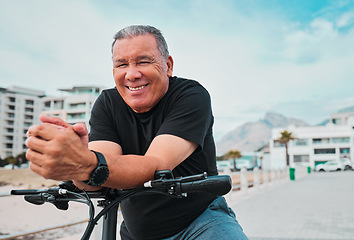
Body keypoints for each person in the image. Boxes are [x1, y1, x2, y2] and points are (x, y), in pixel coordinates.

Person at [26, 25, 248, 240]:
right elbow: (98, 176)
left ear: (168, 65)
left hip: (201, 222)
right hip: (136, 232)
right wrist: (75, 166)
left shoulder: (191, 95)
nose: (131, 74)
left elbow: (156, 165)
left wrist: (86, 163)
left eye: (143, 61)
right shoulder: (107, 103)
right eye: (121, 64)